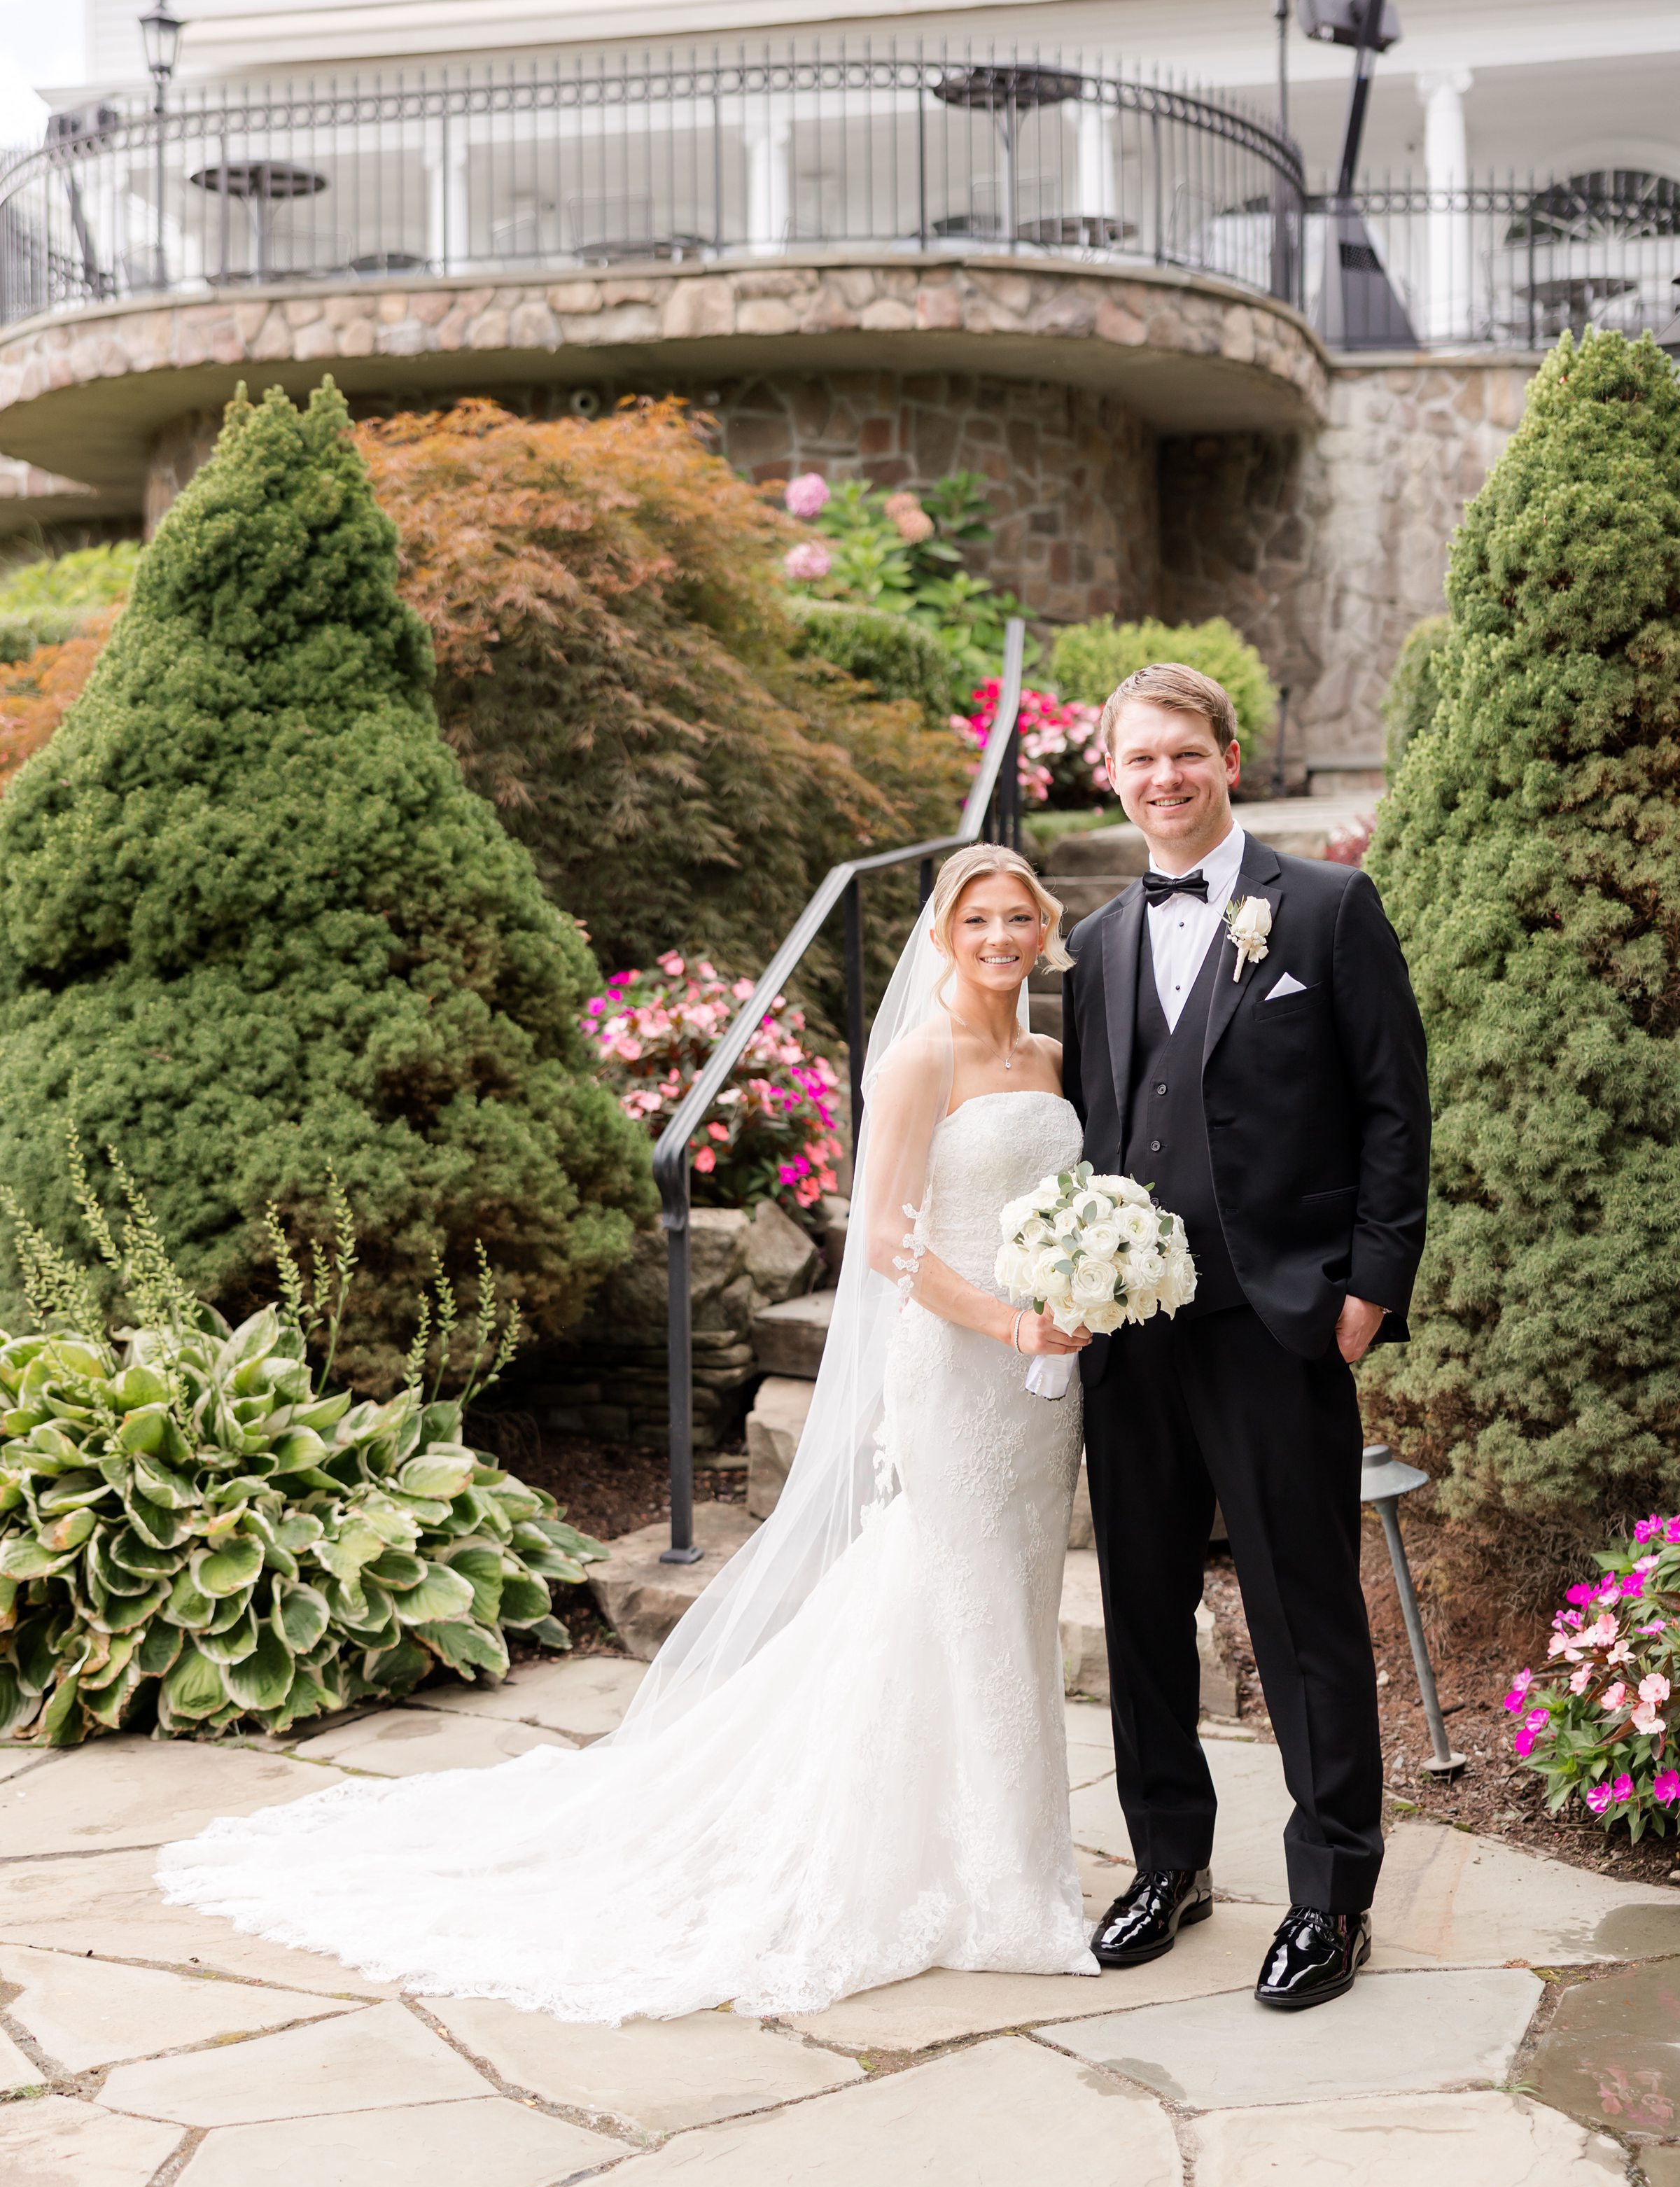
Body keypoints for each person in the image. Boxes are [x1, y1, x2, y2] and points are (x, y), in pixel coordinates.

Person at [155, 847, 1103, 2022]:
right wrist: (1013, 1321)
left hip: (1038, 1384)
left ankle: (985, 1852)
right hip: (964, 1368)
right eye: (980, 919)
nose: (1002, 936)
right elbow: (886, 1247)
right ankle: (1001, 1891)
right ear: (944, 935)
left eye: (1021, 917)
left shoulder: (1052, 1057)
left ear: (1047, 928)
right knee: (961, 1595)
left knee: (1006, 1601)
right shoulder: (919, 1060)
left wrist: (1084, 1291)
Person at [1063, 662, 1429, 2011]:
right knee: (1143, 1608)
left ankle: (1334, 1893)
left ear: (1229, 754)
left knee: (1304, 1613)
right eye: (1137, 760)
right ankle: (1172, 1863)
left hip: (1279, 1320)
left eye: (1184, 753)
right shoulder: (1095, 945)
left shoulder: (1327, 909)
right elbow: (1096, 1131)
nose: (1162, 778)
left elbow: (1396, 1104)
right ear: (1112, 775)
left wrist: (1368, 1286)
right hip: (1130, 1335)